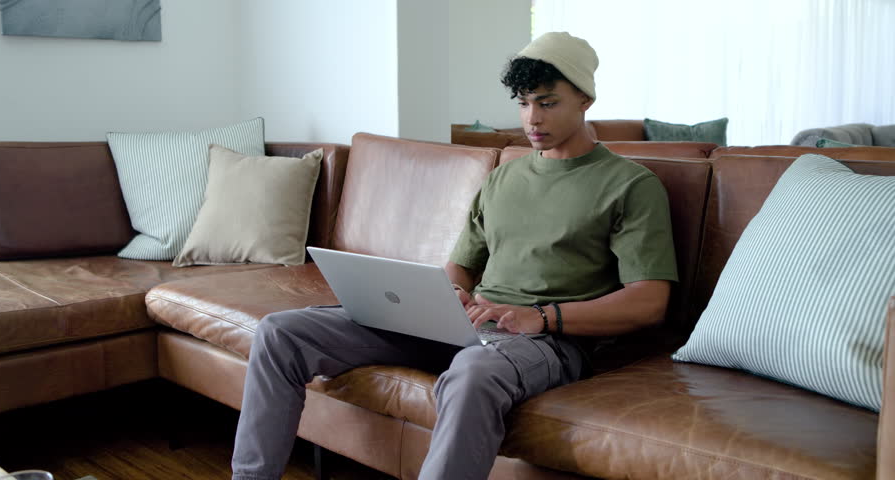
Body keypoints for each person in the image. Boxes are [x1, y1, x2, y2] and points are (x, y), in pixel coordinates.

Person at [231, 31, 677, 480]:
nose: (532, 118)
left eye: (547, 102)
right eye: (523, 103)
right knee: (280, 332)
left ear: (585, 100)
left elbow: (650, 301)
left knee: (473, 372)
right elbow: (461, 265)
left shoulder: (631, 186)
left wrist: (542, 318)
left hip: (547, 342)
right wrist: (451, 294)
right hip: (464, 326)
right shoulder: (505, 178)